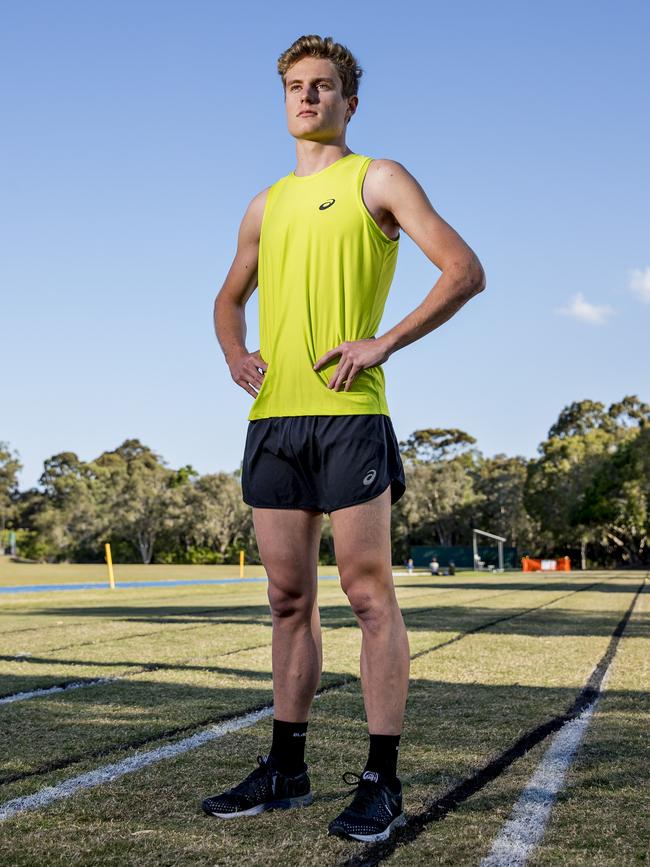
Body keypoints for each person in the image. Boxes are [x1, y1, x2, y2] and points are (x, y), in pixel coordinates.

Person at [204, 33, 485, 844]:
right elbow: (227, 298)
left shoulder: (380, 178)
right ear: (283, 98)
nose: (308, 97)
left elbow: (463, 269)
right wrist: (235, 352)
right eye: (296, 85)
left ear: (349, 102)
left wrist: (383, 342)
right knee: (288, 600)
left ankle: (381, 779)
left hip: (350, 414)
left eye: (324, 86)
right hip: (274, 422)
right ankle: (285, 768)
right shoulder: (264, 204)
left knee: (368, 595)